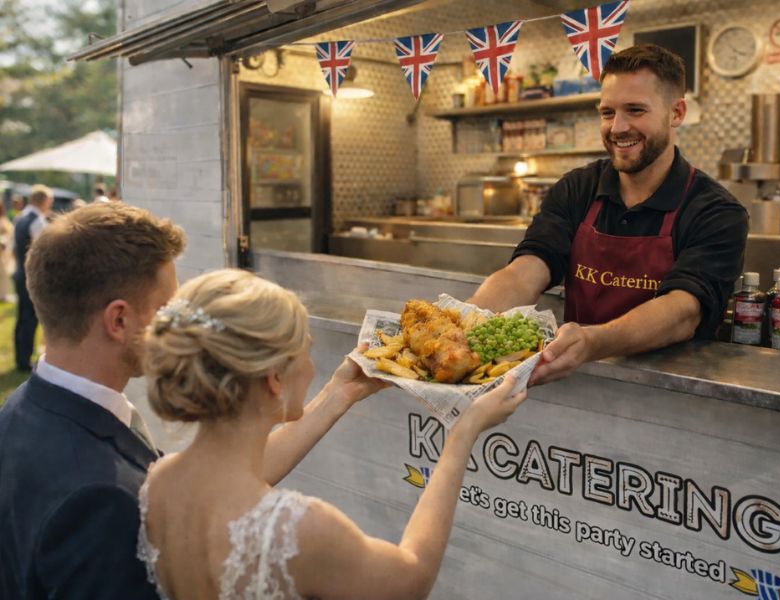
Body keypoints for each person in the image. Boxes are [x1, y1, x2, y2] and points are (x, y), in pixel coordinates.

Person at [138, 269, 527, 598]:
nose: (311, 368)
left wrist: (338, 394)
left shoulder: (159, 481)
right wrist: (463, 432)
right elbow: (411, 579)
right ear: (274, 378)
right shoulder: (298, 528)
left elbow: (243, 472)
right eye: (306, 352)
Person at [469, 44, 748, 385]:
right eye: (607, 112)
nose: (617, 127)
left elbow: (682, 312)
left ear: (676, 113)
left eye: (635, 110)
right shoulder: (577, 188)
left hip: (672, 393)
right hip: (576, 380)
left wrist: (592, 342)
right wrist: (464, 322)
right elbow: (528, 268)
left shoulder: (716, 211)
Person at [0, 202, 186, 599]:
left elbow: (192, 477)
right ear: (118, 320)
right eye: (167, 309)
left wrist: (338, 394)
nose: (179, 326)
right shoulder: (102, 502)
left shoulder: (25, 407)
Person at [12, 184, 53, 371]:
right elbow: (42, 253)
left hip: (19, 272)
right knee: (30, 318)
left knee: (22, 318)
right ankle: (25, 360)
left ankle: (20, 357)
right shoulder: (37, 222)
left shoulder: (20, 218)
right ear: (44, 201)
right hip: (30, 275)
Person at [0, 202, 13, 301]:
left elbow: (9, 233)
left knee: (4, 273)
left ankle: (3, 294)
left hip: (3, 252)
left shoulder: (4, 220)